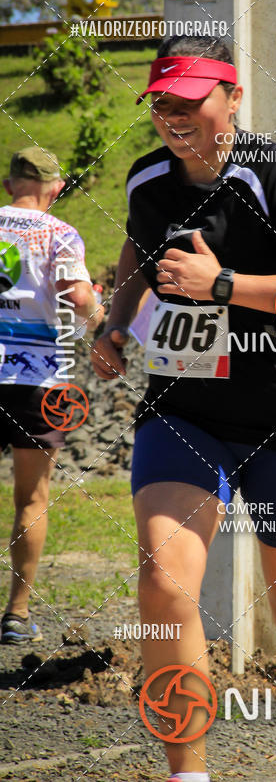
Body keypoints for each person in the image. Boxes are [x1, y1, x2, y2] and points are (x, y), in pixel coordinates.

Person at [90, 35, 276, 782]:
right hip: (185, 412)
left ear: (233, 98)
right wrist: (117, 320)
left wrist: (223, 285)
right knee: (163, 582)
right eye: (162, 103)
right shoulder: (146, 178)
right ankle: (190, 775)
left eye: (191, 100)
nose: (174, 117)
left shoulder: (272, 175)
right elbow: (138, 253)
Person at [0, 146, 103, 643]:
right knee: (31, 497)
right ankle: (17, 616)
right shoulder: (60, 233)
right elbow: (77, 297)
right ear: (56, 189)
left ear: (8, 185)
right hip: (37, 379)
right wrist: (106, 322)